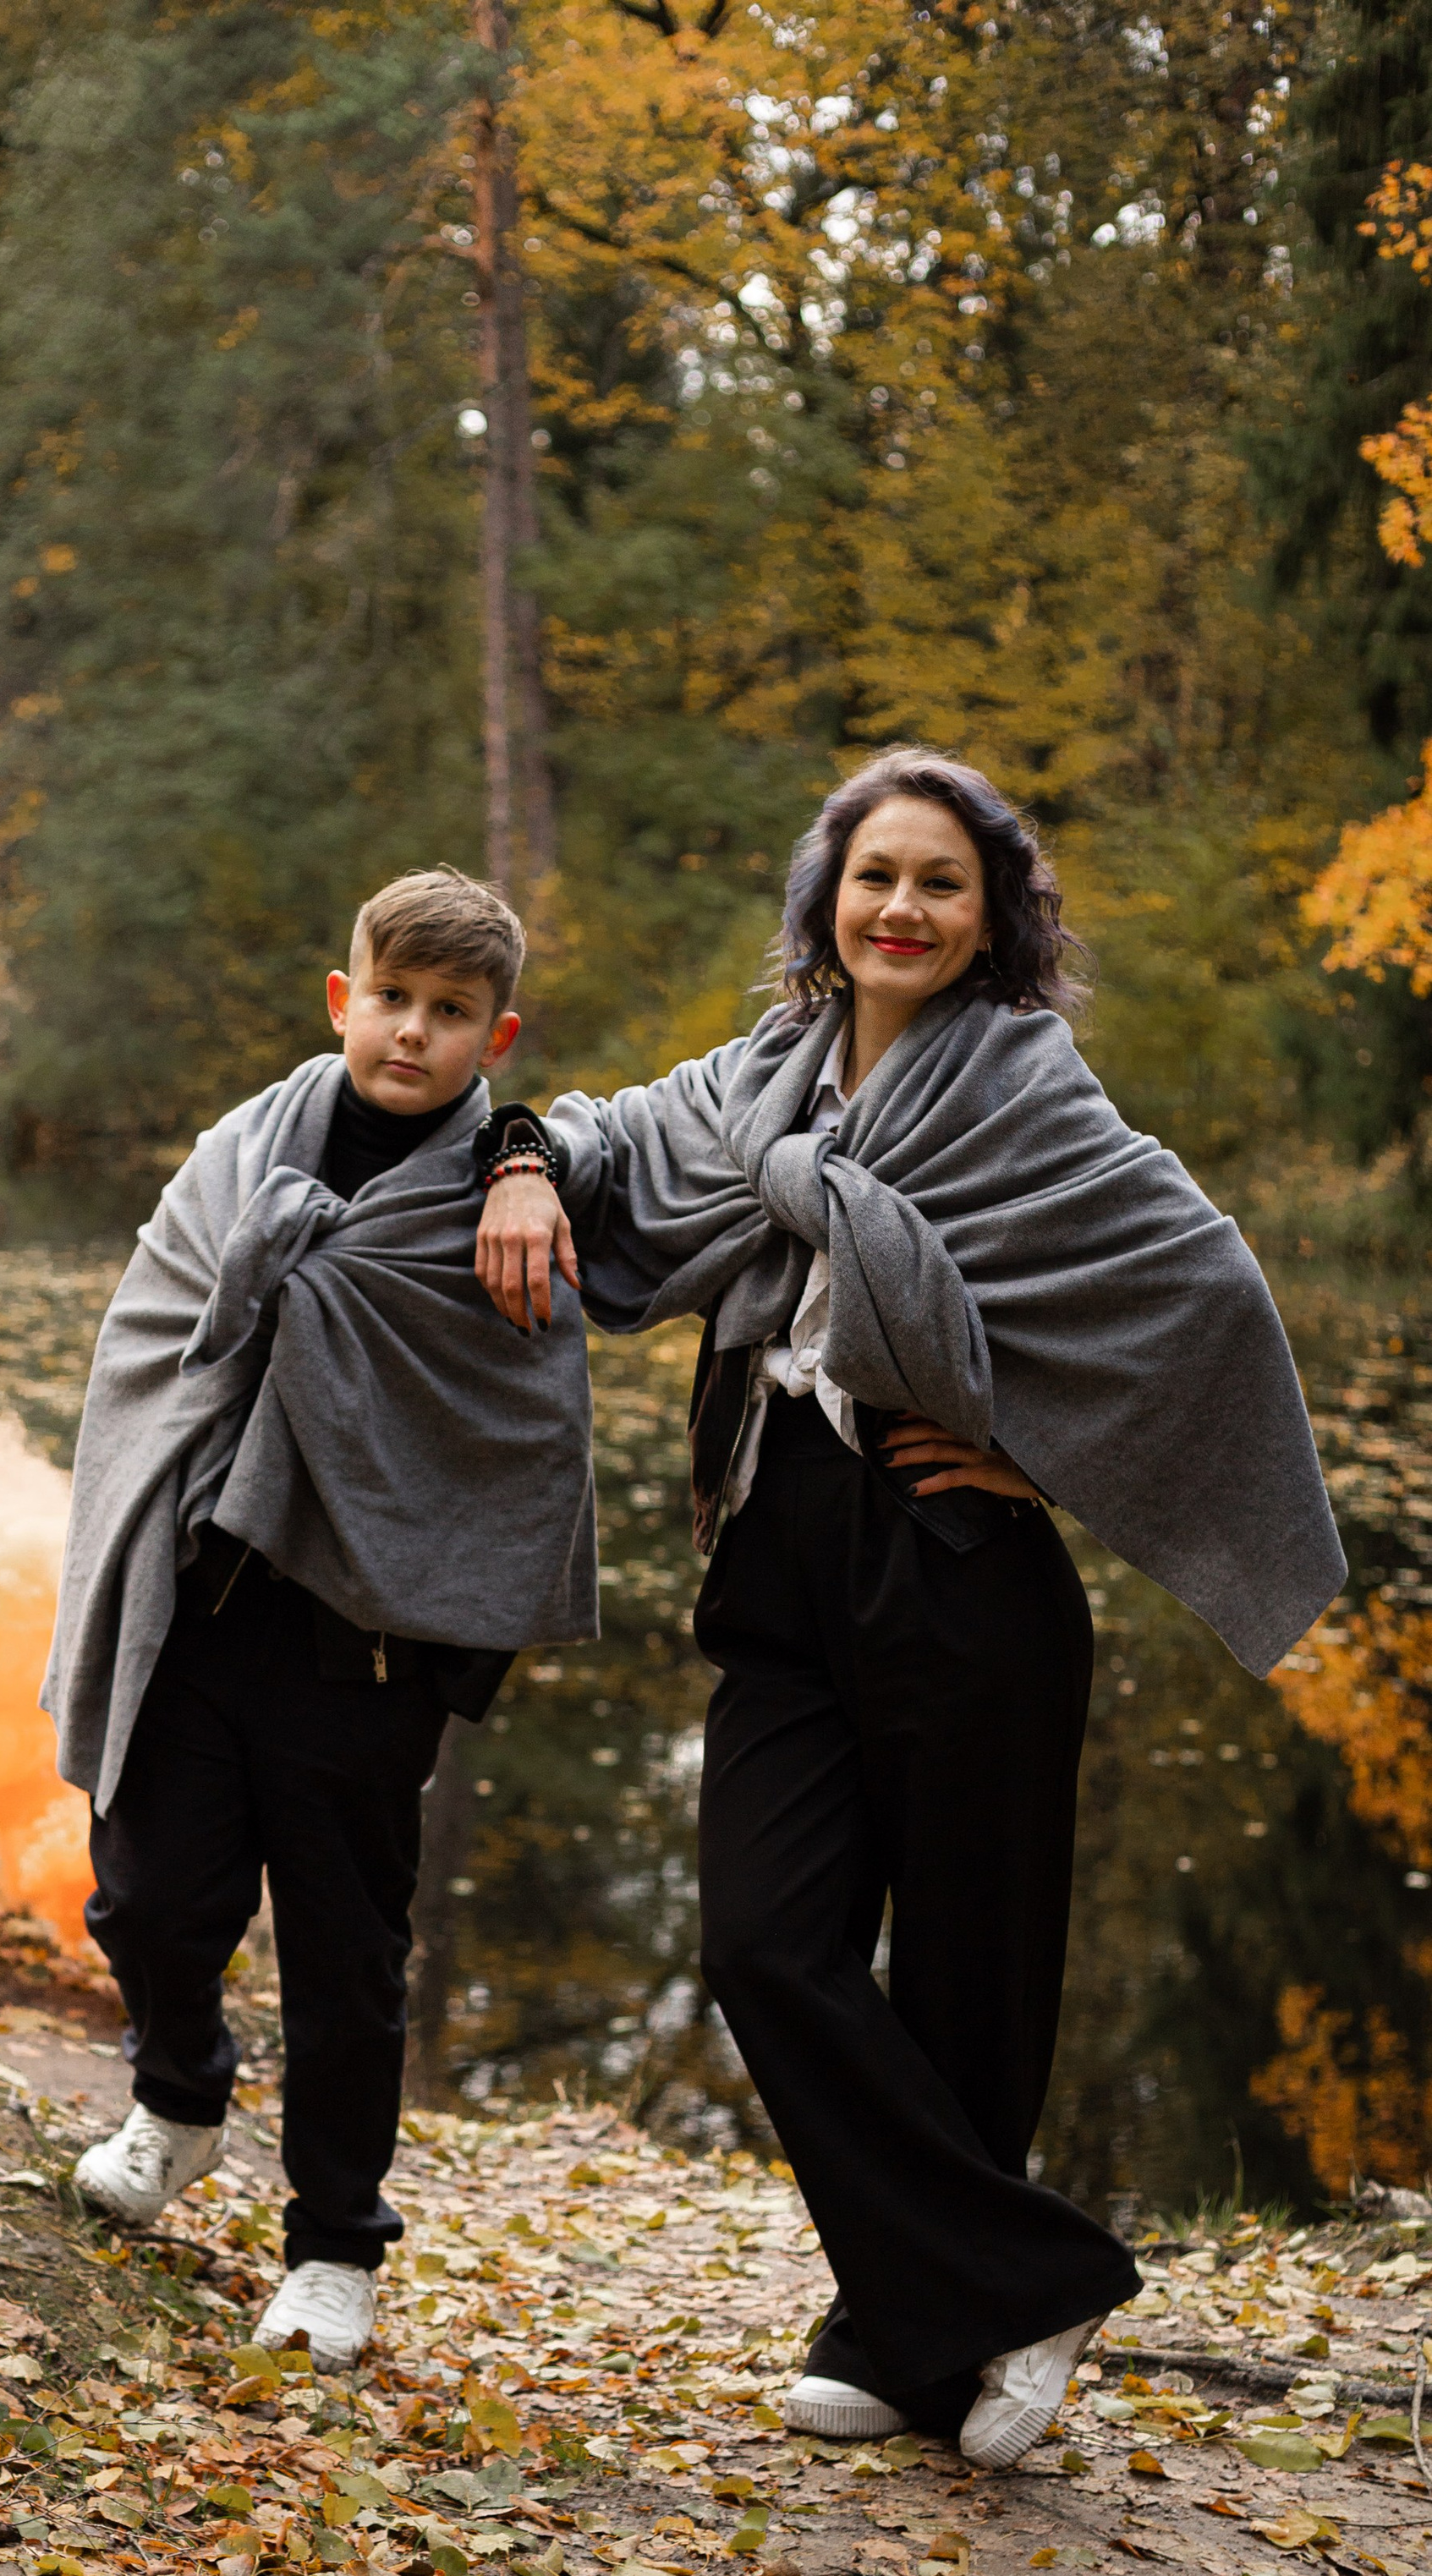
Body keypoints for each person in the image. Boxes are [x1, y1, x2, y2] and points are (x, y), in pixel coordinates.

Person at [474, 752, 1343, 2469]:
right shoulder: (759, 1081)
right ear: (828, 899)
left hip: (957, 1563)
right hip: (776, 1546)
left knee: (969, 1976)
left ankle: (898, 2337)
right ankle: (1027, 2279)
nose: (901, 908)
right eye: (875, 875)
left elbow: (1202, 1287)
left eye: (939, 883)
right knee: (761, 1943)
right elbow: (588, 1139)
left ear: (987, 917)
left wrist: (1041, 1455)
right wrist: (514, 1162)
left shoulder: (1027, 1093)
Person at [43, 867, 596, 2370]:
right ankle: (177, 2099)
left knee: (347, 1957)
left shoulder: (510, 1194)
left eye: (453, 1013)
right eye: (394, 1001)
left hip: (367, 1638)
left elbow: (522, 1423)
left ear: (499, 1032)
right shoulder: (249, 1147)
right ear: (344, 999)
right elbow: (150, 1345)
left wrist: (528, 1155)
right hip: (202, 1595)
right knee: (149, 1893)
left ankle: (337, 2246)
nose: (414, 1034)